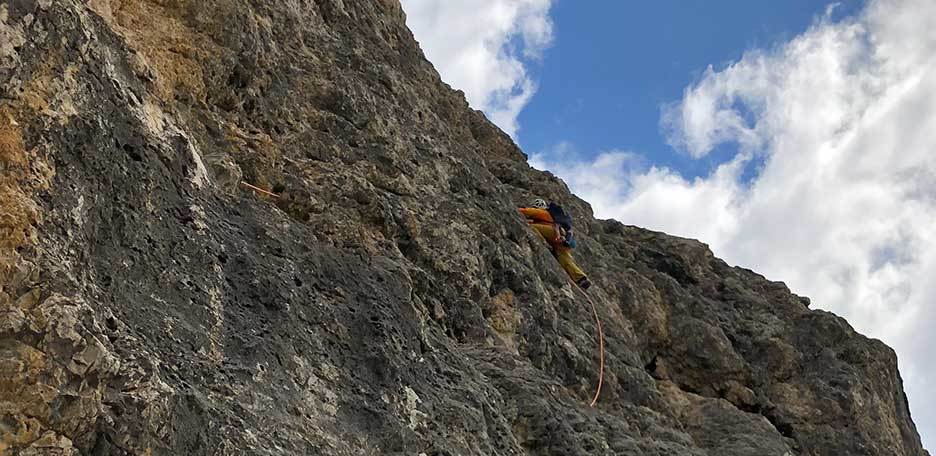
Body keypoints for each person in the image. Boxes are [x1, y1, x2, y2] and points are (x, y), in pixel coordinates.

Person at [519, 198, 592, 290]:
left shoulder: (544, 213)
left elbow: (527, 211)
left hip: (553, 232)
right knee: (565, 259)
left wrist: (516, 209)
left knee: (530, 227)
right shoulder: (555, 217)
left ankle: (543, 242)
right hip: (563, 239)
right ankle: (581, 278)